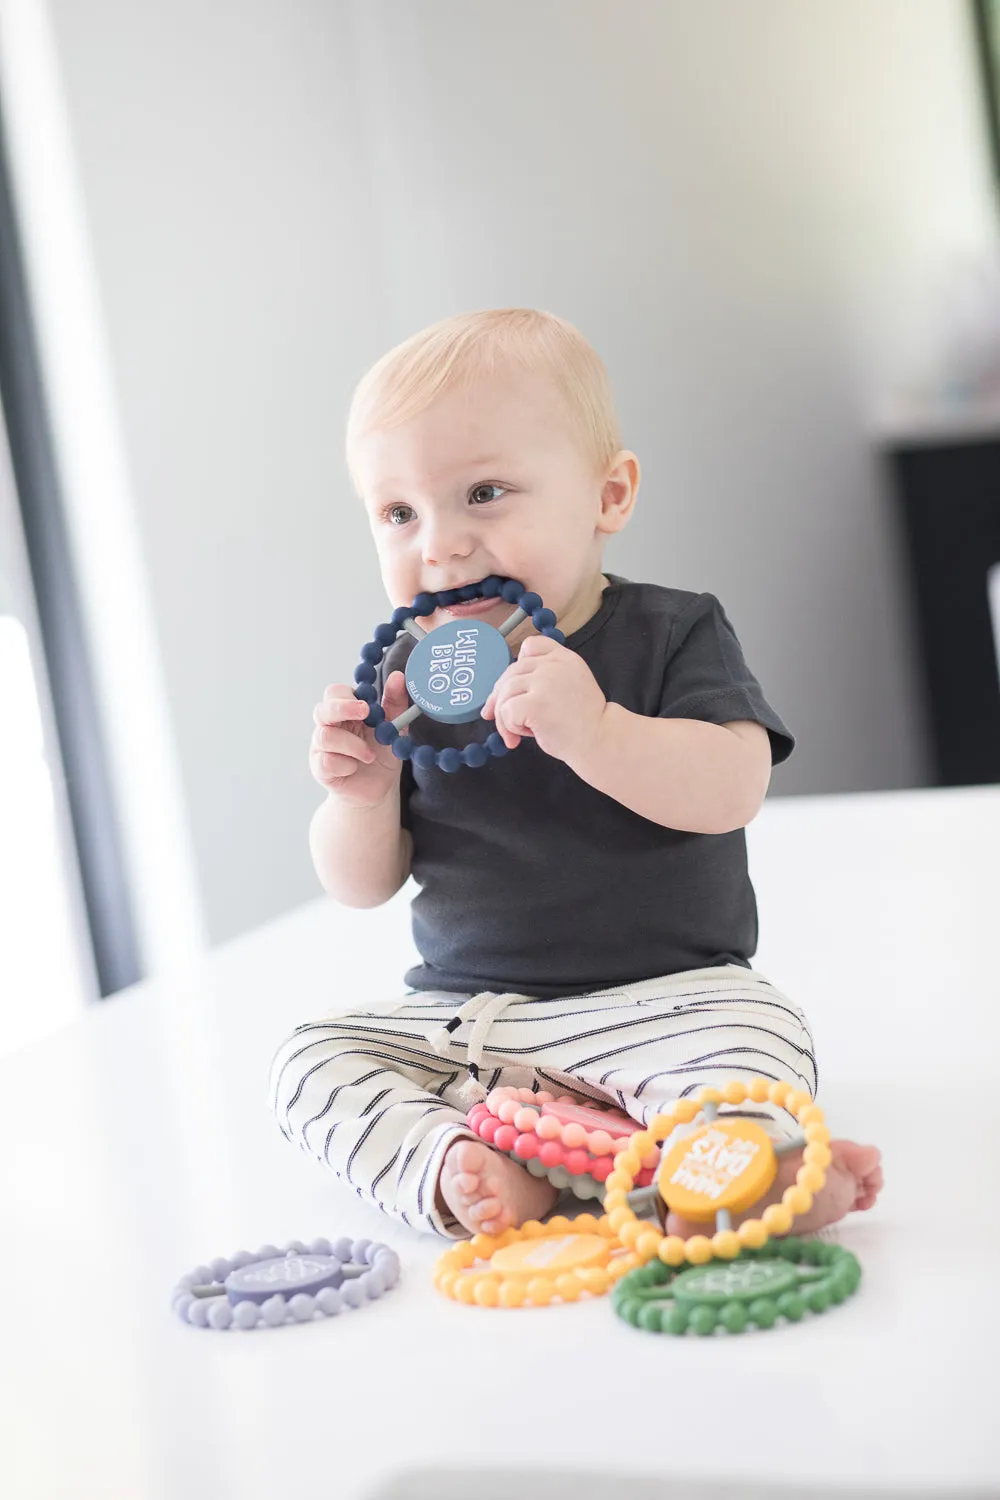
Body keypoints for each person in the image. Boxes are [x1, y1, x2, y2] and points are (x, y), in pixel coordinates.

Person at [269, 308, 882, 1240]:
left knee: (760, 1039)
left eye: (484, 493)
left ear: (608, 496)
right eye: (399, 513)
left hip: (668, 1004)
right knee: (309, 1060)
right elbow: (361, 887)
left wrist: (594, 731)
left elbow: (732, 787)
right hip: (473, 1025)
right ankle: (463, 1169)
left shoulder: (673, 630)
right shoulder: (413, 684)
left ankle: (733, 1169)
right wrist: (356, 796)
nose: (438, 544)